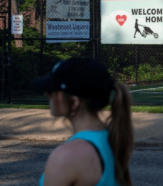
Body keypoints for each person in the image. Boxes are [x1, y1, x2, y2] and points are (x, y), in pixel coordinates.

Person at [31, 58, 134, 186]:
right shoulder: (111, 137)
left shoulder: (67, 156)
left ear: (74, 102)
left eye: (54, 91)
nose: (47, 94)